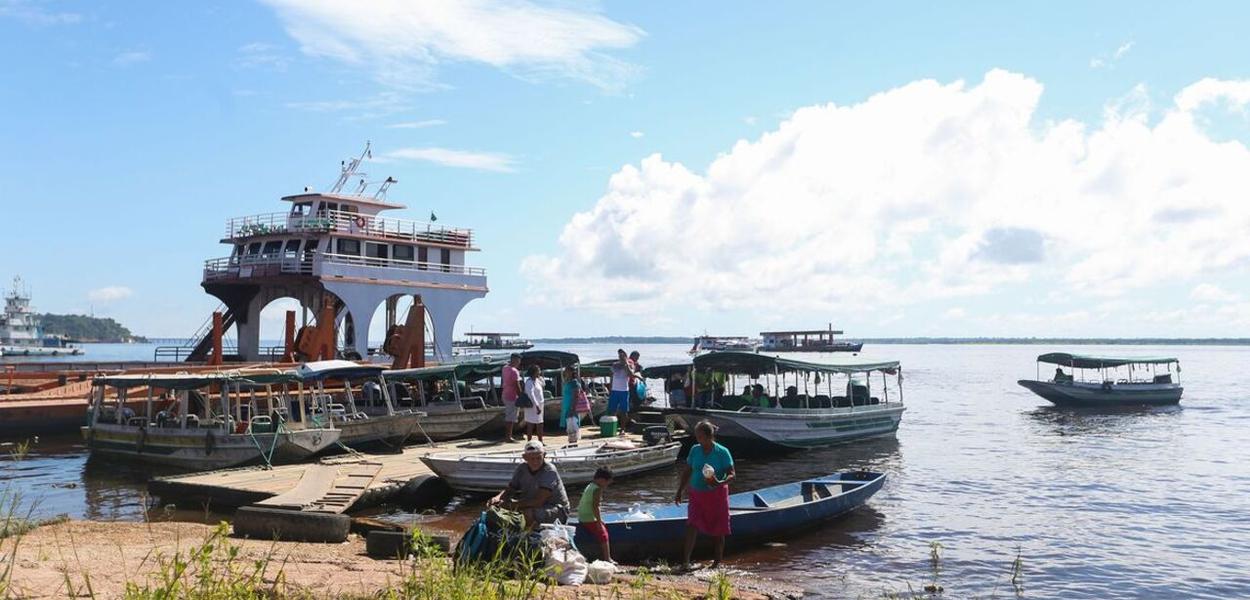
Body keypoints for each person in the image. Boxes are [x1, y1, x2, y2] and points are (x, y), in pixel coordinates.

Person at [675, 420, 734, 571]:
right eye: (697, 436)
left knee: (718, 529)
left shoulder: (722, 452)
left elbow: (732, 474)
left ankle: (717, 563)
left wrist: (719, 482)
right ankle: (686, 561)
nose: (697, 439)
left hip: (717, 495)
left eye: (700, 436)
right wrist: (680, 490)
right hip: (697, 493)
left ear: (709, 437)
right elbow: (688, 470)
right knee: (692, 525)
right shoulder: (695, 450)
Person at [488, 440, 570, 529]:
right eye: (532, 459)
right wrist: (498, 498)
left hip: (557, 509)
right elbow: (510, 489)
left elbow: (538, 502)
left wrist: (510, 506)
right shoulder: (522, 468)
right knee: (494, 509)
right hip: (532, 504)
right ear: (525, 457)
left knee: (527, 513)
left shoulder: (549, 470)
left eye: (538, 458)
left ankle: (532, 535)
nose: (535, 462)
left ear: (544, 456)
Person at [578, 466, 614, 562]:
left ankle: (607, 558)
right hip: (588, 518)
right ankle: (608, 558)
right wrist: (598, 522)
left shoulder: (590, 485)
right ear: (602, 480)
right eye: (607, 483)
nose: (606, 486)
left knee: (602, 529)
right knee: (604, 534)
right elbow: (595, 507)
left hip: (582, 516)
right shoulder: (597, 489)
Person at [608, 349, 636, 434]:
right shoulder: (615, 365)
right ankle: (613, 427)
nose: (620, 357)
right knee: (612, 410)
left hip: (624, 390)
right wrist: (610, 386)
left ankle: (622, 428)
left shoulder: (630, 364)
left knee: (624, 411)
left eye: (622, 355)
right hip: (614, 390)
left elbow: (631, 375)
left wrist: (626, 364)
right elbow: (611, 375)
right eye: (619, 355)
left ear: (625, 356)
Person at [562, 366, 590, 444]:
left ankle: (573, 443)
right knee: (569, 424)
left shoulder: (574, 383)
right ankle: (571, 442)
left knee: (573, 425)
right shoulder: (568, 381)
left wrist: (572, 407)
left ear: (571, 372)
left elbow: (576, 396)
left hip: (572, 407)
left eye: (567, 371)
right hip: (568, 406)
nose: (565, 372)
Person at [501, 354, 524, 442]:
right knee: (511, 418)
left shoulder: (505, 368)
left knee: (510, 416)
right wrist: (521, 396)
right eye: (518, 361)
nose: (519, 363)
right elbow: (516, 385)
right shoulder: (514, 371)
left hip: (505, 394)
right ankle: (509, 437)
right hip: (512, 396)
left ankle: (509, 435)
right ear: (514, 360)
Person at [521, 365, 545, 442]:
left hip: (540, 404)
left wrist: (540, 378)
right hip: (532, 405)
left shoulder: (537, 380)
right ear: (534, 372)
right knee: (530, 423)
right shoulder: (529, 382)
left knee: (540, 423)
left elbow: (543, 384)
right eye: (538, 371)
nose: (540, 372)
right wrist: (536, 405)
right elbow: (531, 394)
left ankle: (540, 441)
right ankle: (529, 441)